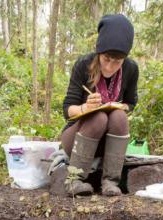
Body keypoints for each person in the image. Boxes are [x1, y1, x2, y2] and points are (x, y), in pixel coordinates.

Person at [60, 13, 139, 197]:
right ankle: (74, 180)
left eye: (117, 62)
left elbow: (131, 103)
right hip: (77, 138)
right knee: (98, 116)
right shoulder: (84, 65)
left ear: (124, 59)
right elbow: (68, 109)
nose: (110, 67)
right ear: (99, 52)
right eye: (106, 59)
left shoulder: (131, 69)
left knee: (118, 116)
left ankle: (110, 182)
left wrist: (119, 106)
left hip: (107, 143)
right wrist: (85, 108)